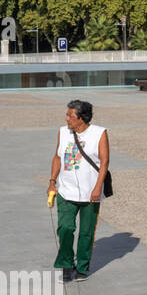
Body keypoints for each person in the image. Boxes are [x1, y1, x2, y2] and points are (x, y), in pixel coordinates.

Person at [48, 100, 109, 282]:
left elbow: (104, 162)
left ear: (81, 118)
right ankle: (66, 264)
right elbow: (58, 157)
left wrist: (98, 187)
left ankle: (82, 266)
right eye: (67, 115)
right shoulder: (63, 132)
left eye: (70, 116)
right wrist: (52, 181)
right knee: (65, 229)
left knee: (86, 232)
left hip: (91, 192)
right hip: (66, 191)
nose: (66, 119)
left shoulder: (99, 133)